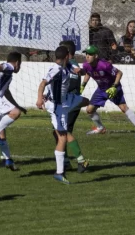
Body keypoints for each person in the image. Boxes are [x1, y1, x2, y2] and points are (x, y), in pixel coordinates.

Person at [36, 46, 91, 184]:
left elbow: (78, 71)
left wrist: (81, 70)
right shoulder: (56, 70)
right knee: (62, 137)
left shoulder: (67, 66)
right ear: (67, 56)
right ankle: (60, 172)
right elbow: (43, 83)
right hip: (58, 107)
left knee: (88, 102)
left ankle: (98, 125)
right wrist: (39, 99)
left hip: (68, 100)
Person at [80, 45, 135, 137]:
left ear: (96, 56)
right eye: (86, 54)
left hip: (112, 87)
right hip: (101, 89)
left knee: (123, 108)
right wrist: (83, 85)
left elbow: (119, 73)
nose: (87, 56)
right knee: (89, 110)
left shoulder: (104, 65)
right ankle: (100, 128)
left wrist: (114, 86)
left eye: (90, 54)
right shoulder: (86, 65)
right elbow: (88, 73)